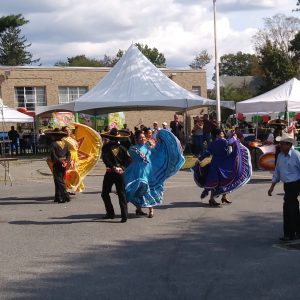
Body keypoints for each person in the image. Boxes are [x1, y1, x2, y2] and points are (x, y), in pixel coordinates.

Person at [125, 128, 185, 218]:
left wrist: (162, 144)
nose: (143, 139)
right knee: (140, 189)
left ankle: (151, 210)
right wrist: (148, 147)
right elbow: (140, 156)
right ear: (136, 139)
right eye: (141, 138)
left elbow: (156, 152)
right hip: (138, 171)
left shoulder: (148, 146)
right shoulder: (133, 148)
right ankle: (139, 209)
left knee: (149, 189)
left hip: (149, 171)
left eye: (144, 137)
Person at [192, 127, 252, 206]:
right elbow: (232, 142)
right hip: (223, 164)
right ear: (217, 135)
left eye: (222, 133)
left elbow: (206, 153)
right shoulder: (224, 142)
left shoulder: (212, 144)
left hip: (215, 164)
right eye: (221, 134)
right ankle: (213, 199)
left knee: (216, 182)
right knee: (225, 180)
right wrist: (234, 137)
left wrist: (199, 159)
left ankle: (220, 197)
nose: (223, 135)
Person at [268, 132, 300, 242]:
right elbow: (277, 172)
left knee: (288, 207)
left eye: (282, 144)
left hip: (295, 184)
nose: (280, 146)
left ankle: (289, 234)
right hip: (287, 185)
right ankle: (296, 231)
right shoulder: (280, 156)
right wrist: (272, 186)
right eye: (280, 144)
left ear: (289, 145)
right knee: (293, 208)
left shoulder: (296, 155)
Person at [100, 128, 132, 223]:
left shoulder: (120, 148)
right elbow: (105, 158)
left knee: (118, 194)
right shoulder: (108, 147)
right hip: (112, 172)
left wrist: (122, 167)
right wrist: (117, 167)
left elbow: (129, 159)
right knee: (115, 194)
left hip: (114, 173)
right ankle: (117, 214)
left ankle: (120, 215)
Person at [47, 128, 71, 203]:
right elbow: (68, 154)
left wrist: (59, 161)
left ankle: (65, 195)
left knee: (58, 180)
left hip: (58, 163)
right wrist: (66, 161)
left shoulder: (53, 144)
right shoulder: (65, 144)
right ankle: (57, 196)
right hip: (64, 163)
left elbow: (53, 156)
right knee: (59, 180)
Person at [62, 126, 84, 193]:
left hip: (75, 156)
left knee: (75, 172)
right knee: (68, 173)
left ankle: (73, 187)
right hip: (69, 156)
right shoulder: (63, 139)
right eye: (66, 130)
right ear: (63, 131)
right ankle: (67, 188)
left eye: (69, 130)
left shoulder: (72, 138)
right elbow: (63, 150)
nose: (68, 131)